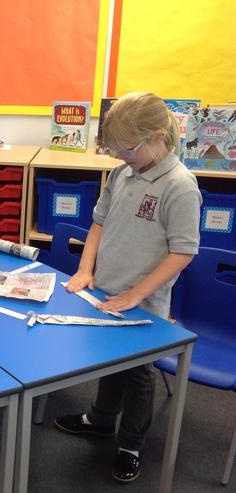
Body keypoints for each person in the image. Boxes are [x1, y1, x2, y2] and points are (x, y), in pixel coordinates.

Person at [53, 91, 201, 484]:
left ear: (157, 137)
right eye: (116, 150)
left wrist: (136, 295)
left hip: (143, 303)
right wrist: (85, 269)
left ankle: (130, 445)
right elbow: (98, 223)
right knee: (110, 359)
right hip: (107, 291)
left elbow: (183, 252)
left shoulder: (180, 186)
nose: (121, 156)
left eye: (128, 149)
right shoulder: (123, 174)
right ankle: (101, 420)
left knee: (137, 373)